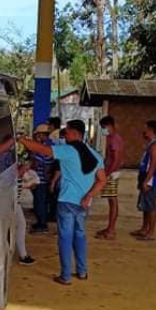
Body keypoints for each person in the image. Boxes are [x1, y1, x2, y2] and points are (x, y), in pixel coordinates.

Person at [19, 120, 106, 285]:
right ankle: (82, 271)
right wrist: (88, 196)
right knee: (79, 236)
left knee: (65, 238)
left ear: (74, 133)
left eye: (66, 132)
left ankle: (65, 276)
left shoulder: (68, 151)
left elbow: (42, 149)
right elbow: (102, 180)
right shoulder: (95, 155)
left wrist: (22, 140)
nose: (64, 136)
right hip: (83, 204)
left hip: (67, 201)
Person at [131, 120, 156, 241]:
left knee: (150, 206)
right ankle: (144, 228)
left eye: (146, 129)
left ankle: (151, 231)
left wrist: (147, 180)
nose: (144, 132)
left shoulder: (155, 145)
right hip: (146, 176)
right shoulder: (151, 144)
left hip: (150, 179)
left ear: (150, 130)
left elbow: (153, 164)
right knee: (145, 205)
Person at [96, 116, 124, 240]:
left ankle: (111, 230)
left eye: (104, 127)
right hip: (110, 172)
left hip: (112, 173)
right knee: (111, 201)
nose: (103, 130)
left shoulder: (114, 140)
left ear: (110, 126)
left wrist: (107, 173)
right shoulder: (112, 138)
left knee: (112, 201)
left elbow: (116, 158)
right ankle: (110, 227)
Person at [30, 124, 54, 234]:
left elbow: (36, 164)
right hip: (45, 179)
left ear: (40, 135)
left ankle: (42, 225)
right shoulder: (50, 144)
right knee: (42, 202)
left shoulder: (43, 147)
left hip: (42, 180)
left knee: (39, 202)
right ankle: (41, 222)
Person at [15, 160, 39, 266]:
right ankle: (23, 255)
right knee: (21, 225)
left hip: (14, 199)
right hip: (10, 199)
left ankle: (23, 255)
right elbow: (15, 176)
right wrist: (23, 168)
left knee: (21, 225)